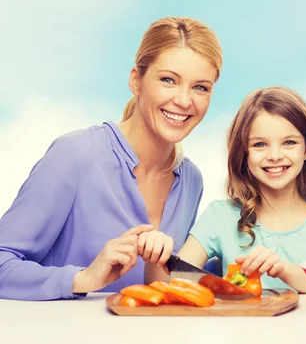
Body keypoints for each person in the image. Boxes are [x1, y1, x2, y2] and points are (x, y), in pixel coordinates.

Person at [0, 17, 223, 300]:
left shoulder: (191, 179)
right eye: (168, 80)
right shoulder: (76, 155)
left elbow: (171, 282)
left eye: (200, 87)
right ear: (136, 81)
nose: (183, 100)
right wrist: (82, 278)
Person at [144, 86, 306, 293]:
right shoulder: (220, 216)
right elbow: (172, 285)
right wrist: (155, 255)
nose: (274, 155)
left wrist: (281, 270)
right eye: (260, 145)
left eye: (289, 142)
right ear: (244, 153)